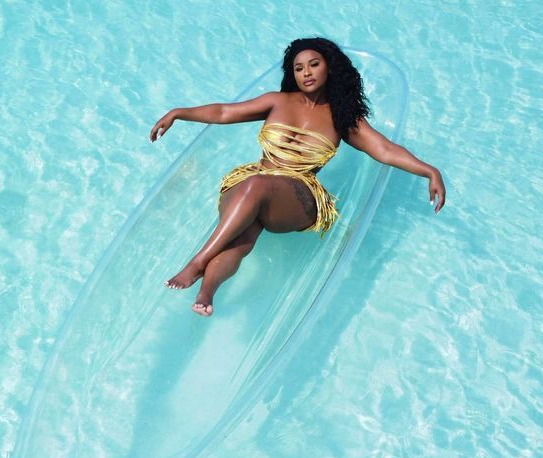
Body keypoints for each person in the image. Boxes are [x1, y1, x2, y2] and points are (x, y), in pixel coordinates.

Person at [150, 37, 446, 317]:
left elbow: (383, 149)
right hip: (254, 185)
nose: (306, 73)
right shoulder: (277, 101)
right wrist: (179, 112)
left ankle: (197, 261)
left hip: (299, 196)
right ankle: (207, 293)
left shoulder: (343, 116)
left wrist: (429, 170)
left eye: (314, 64)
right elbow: (225, 111)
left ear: (329, 66)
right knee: (242, 239)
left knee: (255, 185)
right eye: (299, 67)